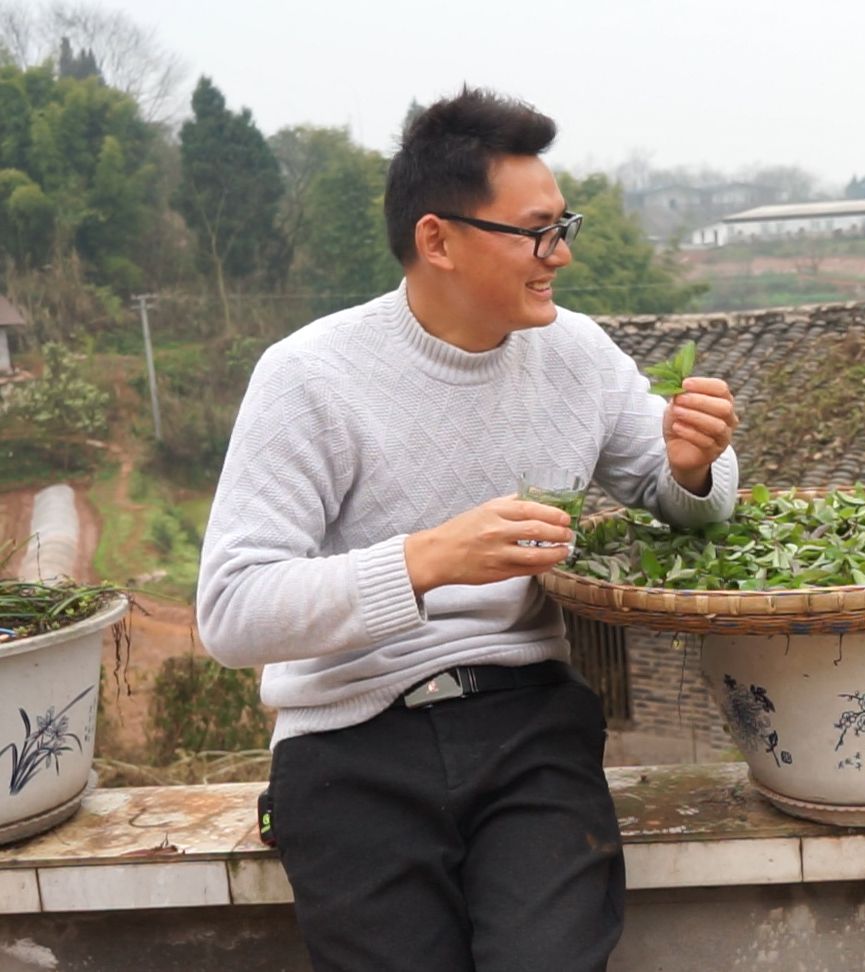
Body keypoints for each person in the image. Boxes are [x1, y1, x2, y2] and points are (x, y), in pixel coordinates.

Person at [196, 88, 740, 972]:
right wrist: (424, 561)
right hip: (347, 739)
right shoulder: (309, 375)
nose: (557, 256)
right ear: (436, 239)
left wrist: (693, 466)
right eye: (534, 232)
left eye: (564, 226)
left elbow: (682, 498)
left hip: (527, 723)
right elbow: (230, 611)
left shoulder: (577, 355)